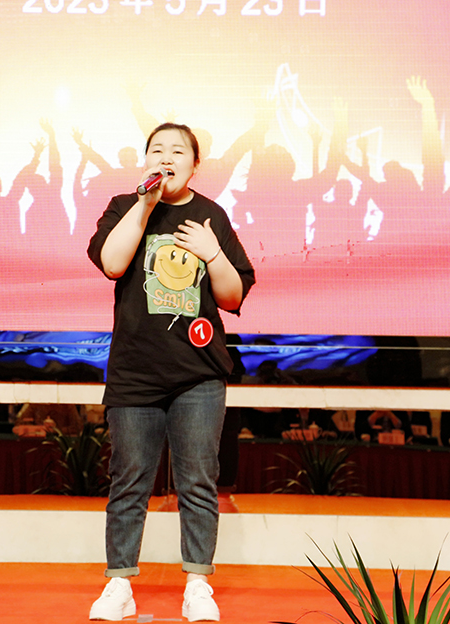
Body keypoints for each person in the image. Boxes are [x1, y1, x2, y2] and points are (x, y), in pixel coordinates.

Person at [87, 122, 255, 622]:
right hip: (135, 372)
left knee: (198, 481)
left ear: (195, 165)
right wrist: (144, 205)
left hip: (198, 375)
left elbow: (233, 296)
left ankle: (198, 585)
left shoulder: (212, 216)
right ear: (145, 161)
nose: (166, 158)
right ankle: (119, 585)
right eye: (157, 150)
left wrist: (212, 252)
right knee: (129, 481)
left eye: (178, 151)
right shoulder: (124, 206)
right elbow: (113, 264)